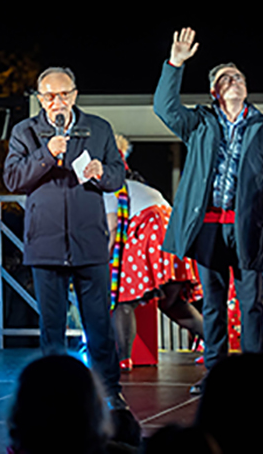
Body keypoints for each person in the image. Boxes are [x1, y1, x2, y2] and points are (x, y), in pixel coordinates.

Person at [153, 27, 263, 393]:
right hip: (209, 229)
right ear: (214, 91)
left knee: (252, 305)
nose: (234, 82)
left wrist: (260, 216)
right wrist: (175, 63)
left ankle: (256, 375)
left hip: (247, 230)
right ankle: (215, 372)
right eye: (225, 78)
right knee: (213, 305)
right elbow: (164, 108)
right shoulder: (199, 121)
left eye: (239, 77)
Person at [3, 67, 127, 408]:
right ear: (40, 99)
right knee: (52, 326)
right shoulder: (25, 132)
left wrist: (103, 173)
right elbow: (13, 178)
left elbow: (118, 175)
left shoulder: (98, 128)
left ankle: (109, 390)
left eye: (63, 94)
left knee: (99, 322)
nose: (56, 101)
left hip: (89, 242)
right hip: (46, 242)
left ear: (75, 94)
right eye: (48, 95)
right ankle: (54, 394)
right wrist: (47, 153)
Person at [105, 135, 204, 371]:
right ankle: (216, 345)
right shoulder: (141, 187)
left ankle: (123, 359)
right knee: (172, 303)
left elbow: (112, 232)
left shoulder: (108, 189)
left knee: (123, 299)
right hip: (173, 232)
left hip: (151, 231)